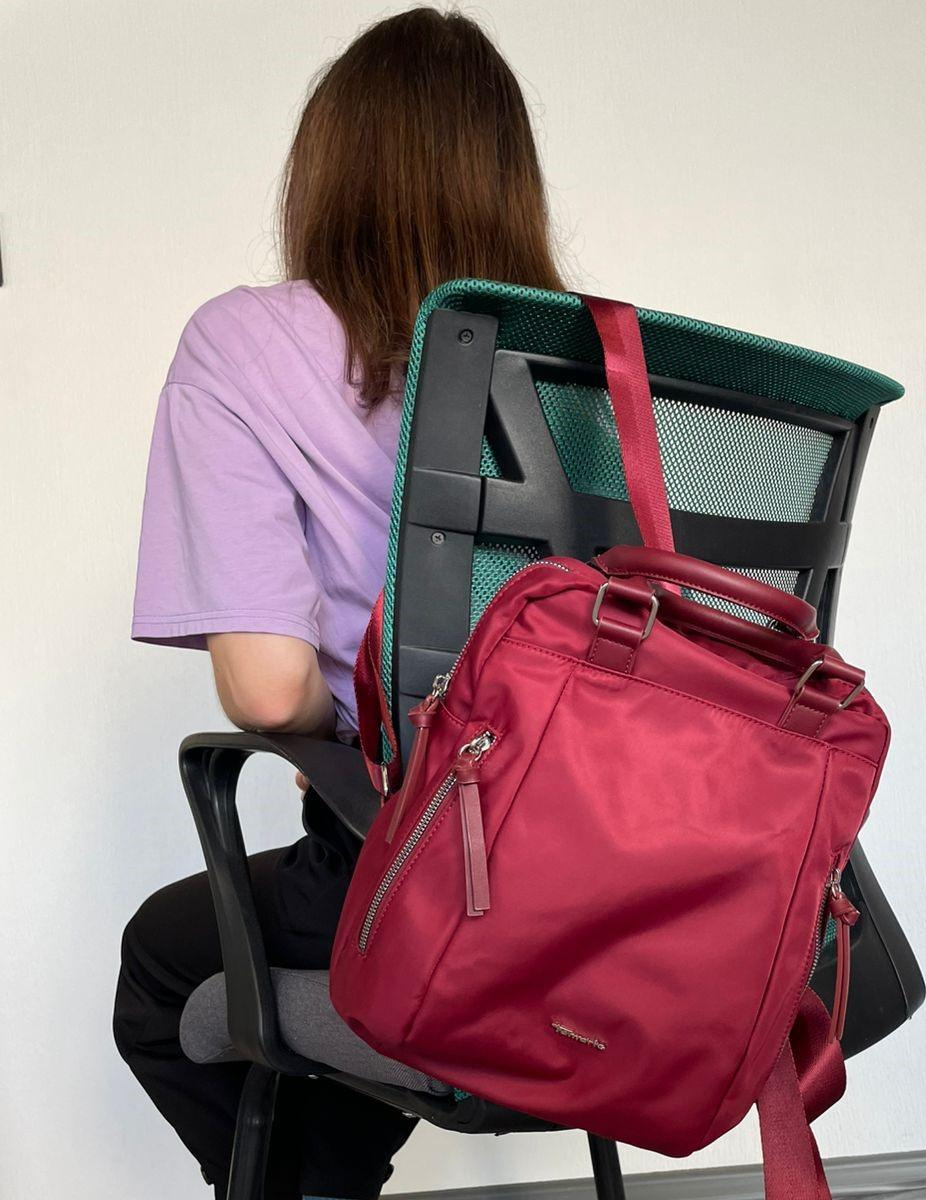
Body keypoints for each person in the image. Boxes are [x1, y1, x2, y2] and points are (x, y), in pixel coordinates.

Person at [113, 9, 565, 1198]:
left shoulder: (241, 346)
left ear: (328, 171)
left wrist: (356, 718)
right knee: (323, 998)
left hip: (416, 871)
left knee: (164, 966)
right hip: (611, 892)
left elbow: (268, 695)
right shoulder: (589, 367)